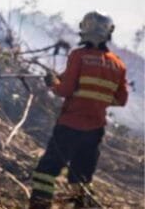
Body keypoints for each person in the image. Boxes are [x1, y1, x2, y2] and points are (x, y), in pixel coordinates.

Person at [29, 11, 128, 209]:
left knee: (46, 172)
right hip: (95, 130)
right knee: (81, 179)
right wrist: (96, 100)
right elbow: (121, 99)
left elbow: (65, 90)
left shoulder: (79, 56)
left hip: (70, 126)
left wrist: (53, 83)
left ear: (86, 29)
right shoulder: (118, 64)